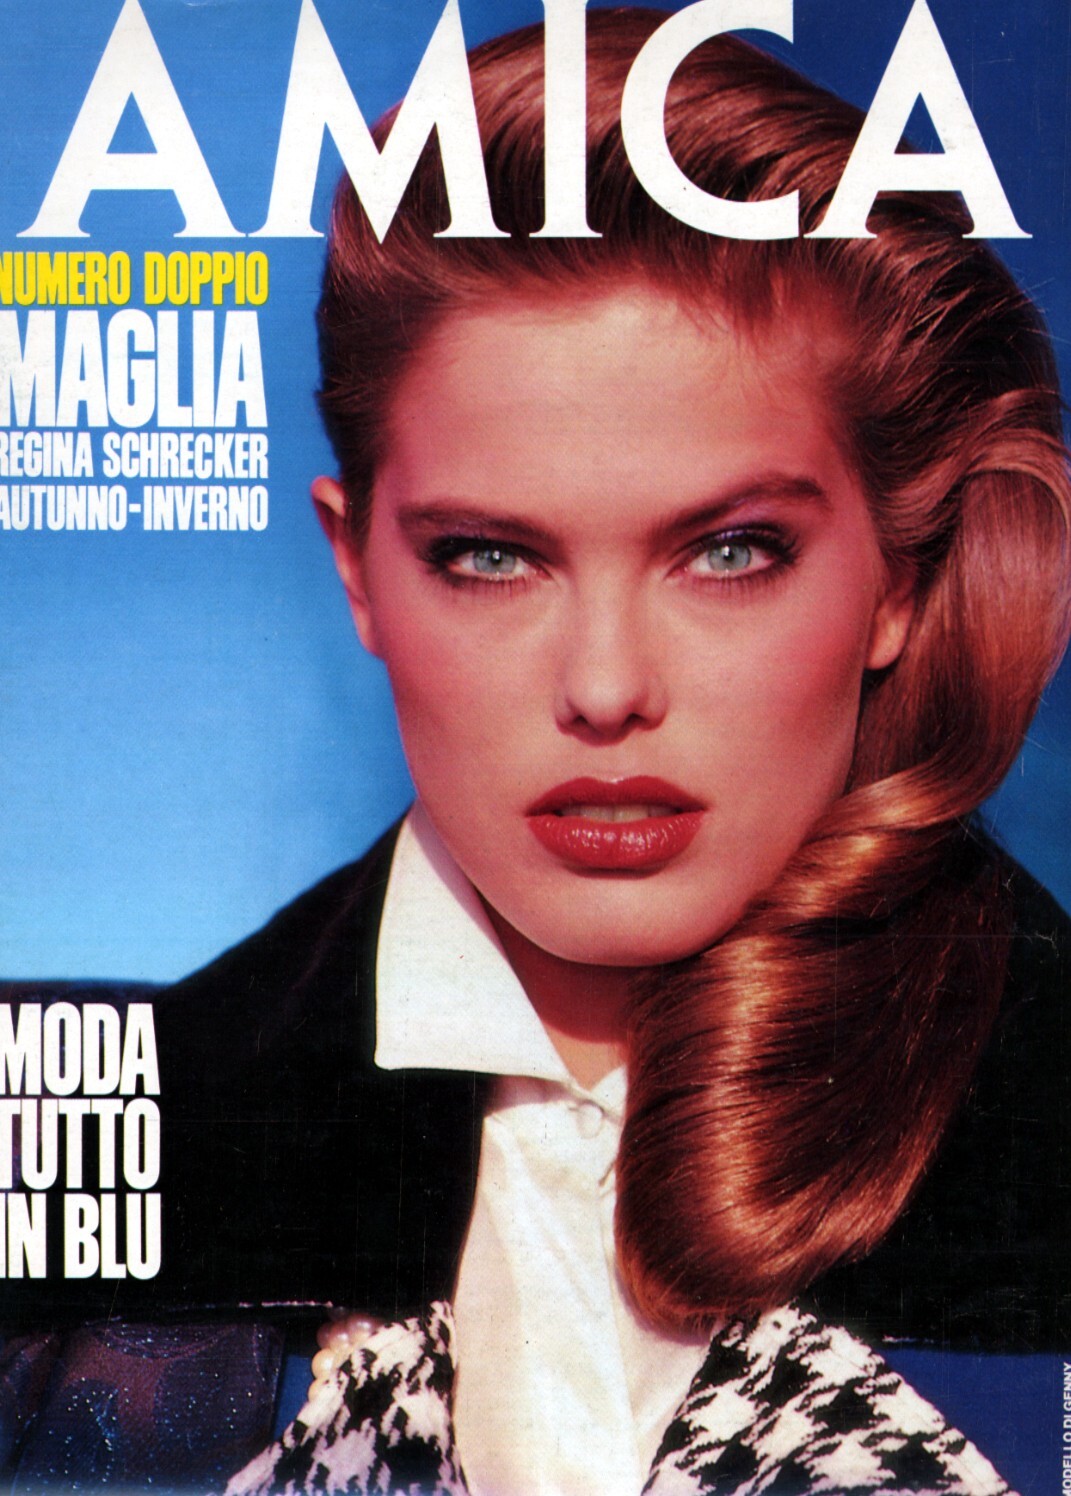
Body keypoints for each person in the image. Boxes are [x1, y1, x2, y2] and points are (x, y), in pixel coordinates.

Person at [171, 8, 1068, 1494]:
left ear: (900, 582)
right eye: (489, 556)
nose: (603, 691)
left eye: (730, 551)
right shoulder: (141, 1133)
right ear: (356, 571)